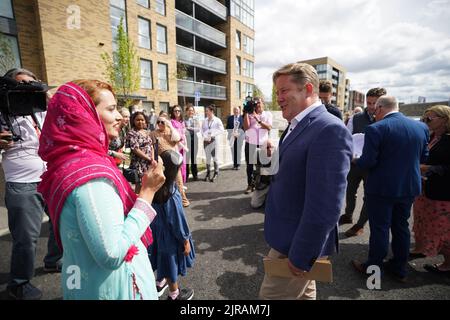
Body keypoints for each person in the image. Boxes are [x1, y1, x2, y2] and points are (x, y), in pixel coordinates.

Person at [37, 80, 166, 299]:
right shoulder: (90, 178)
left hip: (84, 282)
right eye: (111, 109)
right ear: (84, 115)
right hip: (113, 289)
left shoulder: (71, 161)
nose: (120, 117)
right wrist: (147, 193)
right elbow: (112, 253)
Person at [259, 62, 352, 300]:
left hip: (295, 246)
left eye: (284, 91)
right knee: (304, 294)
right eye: (276, 92)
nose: (278, 97)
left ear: (308, 89)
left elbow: (326, 207)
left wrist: (302, 255)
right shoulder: (297, 124)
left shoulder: (329, 129)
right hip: (287, 237)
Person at [351, 96, 429, 283]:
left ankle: (373, 268)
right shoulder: (421, 127)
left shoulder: (376, 128)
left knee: (380, 228)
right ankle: (398, 268)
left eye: (374, 111)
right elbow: (424, 157)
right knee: (401, 227)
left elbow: (368, 161)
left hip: (382, 187)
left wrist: (355, 160)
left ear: (378, 109)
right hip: (408, 185)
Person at [0, 68, 62, 300]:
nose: (27, 88)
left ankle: (54, 261)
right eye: (21, 84)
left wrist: (45, 96)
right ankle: (18, 284)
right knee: (26, 239)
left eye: (31, 84)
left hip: (48, 178)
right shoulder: (2, 111)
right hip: (21, 182)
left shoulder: (42, 111)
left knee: (60, 224)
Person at [148, 150, 195, 300]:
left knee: (159, 257)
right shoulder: (172, 193)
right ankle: (174, 294)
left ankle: (160, 281)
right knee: (169, 263)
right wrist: (185, 240)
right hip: (169, 236)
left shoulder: (153, 185)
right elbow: (177, 222)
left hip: (155, 231)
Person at [340, 88, 387, 238]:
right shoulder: (356, 118)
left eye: (375, 103)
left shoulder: (387, 120)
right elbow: (347, 137)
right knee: (350, 190)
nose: (372, 106)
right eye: (369, 102)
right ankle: (348, 214)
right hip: (355, 163)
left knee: (369, 196)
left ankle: (360, 225)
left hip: (374, 166)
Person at [411, 105, 450, 274]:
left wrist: (429, 168)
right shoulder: (431, 136)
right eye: (424, 118)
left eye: (429, 119)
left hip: (441, 192)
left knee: (442, 229)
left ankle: (447, 264)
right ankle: (420, 248)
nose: (425, 122)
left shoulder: (448, 140)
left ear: (444, 120)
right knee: (421, 220)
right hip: (424, 189)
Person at [150, 116, 190, 208]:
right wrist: (155, 160)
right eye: (158, 122)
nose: (160, 124)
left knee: (178, 180)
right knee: (163, 181)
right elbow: (153, 148)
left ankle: (183, 199)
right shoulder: (153, 134)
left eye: (162, 122)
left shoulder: (170, 131)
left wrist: (170, 127)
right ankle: (163, 201)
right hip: (161, 160)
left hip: (174, 159)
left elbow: (178, 139)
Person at [243, 97, 273, 194]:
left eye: (259, 102)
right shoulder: (250, 114)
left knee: (263, 165)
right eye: (256, 103)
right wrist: (247, 112)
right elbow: (246, 128)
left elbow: (269, 127)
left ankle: (263, 185)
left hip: (262, 144)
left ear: (263, 103)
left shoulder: (267, 114)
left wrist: (258, 120)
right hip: (250, 143)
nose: (258, 105)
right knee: (250, 166)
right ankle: (250, 185)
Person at [127, 111, 154, 193]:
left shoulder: (147, 132)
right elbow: (135, 149)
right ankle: (137, 203)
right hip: (139, 163)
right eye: (137, 120)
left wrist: (152, 158)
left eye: (142, 120)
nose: (140, 122)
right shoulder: (132, 133)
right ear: (133, 121)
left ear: (145, 121)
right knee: (140, 185)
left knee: (148, 184)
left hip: (149, 162)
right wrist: (148, 158)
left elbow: (151, 145)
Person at [201, 104, 224, 182]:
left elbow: (221, 130)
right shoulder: (204, 120)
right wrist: (205, 136)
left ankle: (216, 173)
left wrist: (212, 135)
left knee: (215, 157)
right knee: (208, 157)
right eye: (206, 111)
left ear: (211, 111)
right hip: (206, 141)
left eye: (207, 111)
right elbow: (202, 130)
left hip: (214, 140)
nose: (206, 112)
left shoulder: (217, 120)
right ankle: (208, 173)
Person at [170, 105, 188, 183]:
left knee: (183, 164)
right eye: (175, 111)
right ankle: (177, 183)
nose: (177, 112)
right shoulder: (171, 122)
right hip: (176, 146)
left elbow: (184, 135)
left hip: (183, 147)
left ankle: (182, 183)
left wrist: (186, 145)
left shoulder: (182, 122)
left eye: (179, 111)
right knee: (177, 165)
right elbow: (174, 136)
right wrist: (182, 146)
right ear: (173, 112)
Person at [184, 104, 201, 181]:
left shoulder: (196, 119)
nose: (191, 112)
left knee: (194, 157)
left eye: (192, 110)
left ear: (193, 111)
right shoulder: (184, 119)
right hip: (186, 139)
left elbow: (198, 129)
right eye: (189, 110)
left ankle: (195, 175)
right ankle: (186, 175)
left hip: (194, 139)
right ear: (186, 111)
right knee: (187, 158)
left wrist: (190, 128)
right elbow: (183, 129)